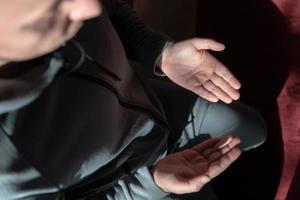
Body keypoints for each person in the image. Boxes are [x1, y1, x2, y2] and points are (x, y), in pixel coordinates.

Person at [0, 0, 266, 199]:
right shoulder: (6, 164)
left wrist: (159, 52)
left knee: (253, 130)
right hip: (127, 185)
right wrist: (152, 184)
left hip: (153, 107)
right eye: (54, 8)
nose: (92, 8)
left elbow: (109, 10)